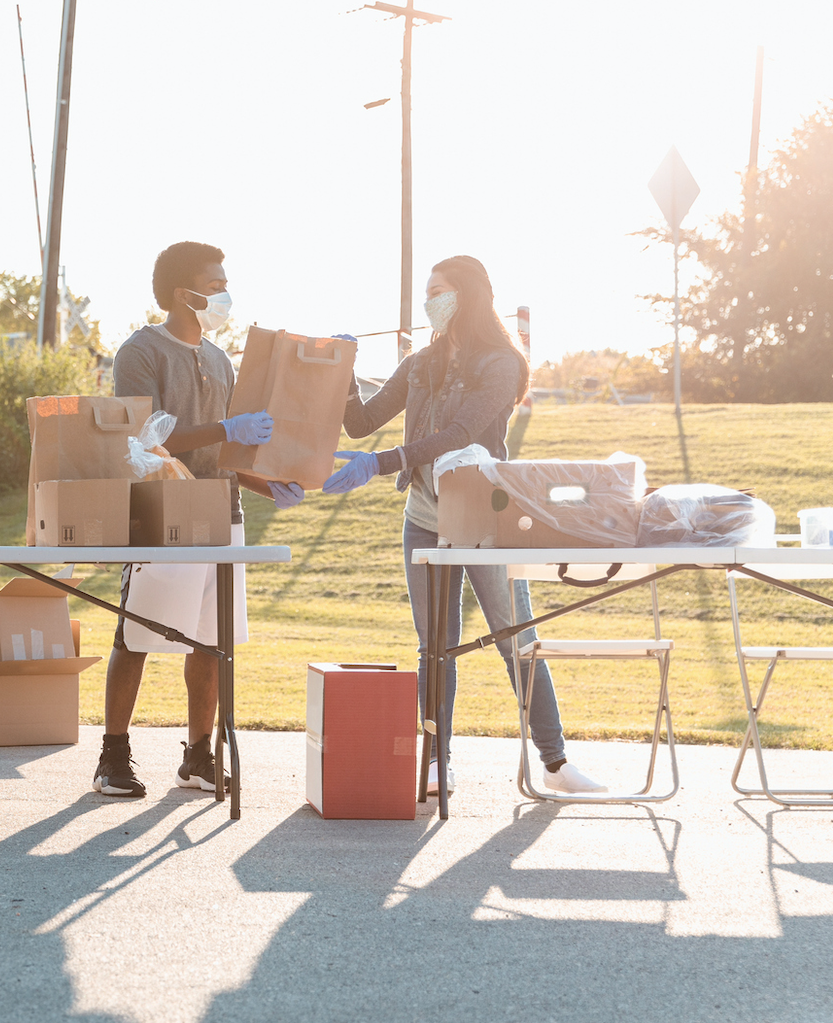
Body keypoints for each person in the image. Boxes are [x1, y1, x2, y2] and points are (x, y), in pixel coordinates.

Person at [322, 254, 606, 795]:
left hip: (484, 519)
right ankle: (436, 763)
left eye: (439, 290)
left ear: (468, 295)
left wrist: (381, 463)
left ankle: (554, 763)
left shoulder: (501, 363)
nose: (430, 300)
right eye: (428, 292)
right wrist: (343, 370)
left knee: (515, 638)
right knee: (434, 645)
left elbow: (458, 433)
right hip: (425, 519)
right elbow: (360, 423)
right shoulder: (420, 363)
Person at [93, 242, 305, 797]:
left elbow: (228, 452)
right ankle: (112, 756)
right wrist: (225, 429)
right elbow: (146, 438)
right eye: (214, 285)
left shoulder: (218, 358)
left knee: (212, 641)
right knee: (137, 631)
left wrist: (266, 484)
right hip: (161, 508)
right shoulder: (140, 351)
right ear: (182, 293)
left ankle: (199, 755)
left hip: (222, 510)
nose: (224, 294)